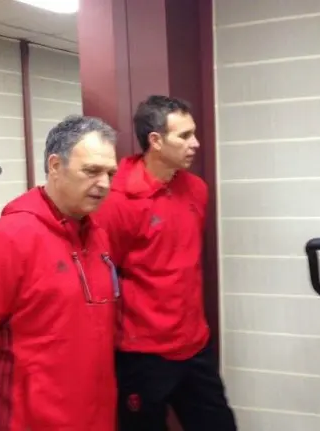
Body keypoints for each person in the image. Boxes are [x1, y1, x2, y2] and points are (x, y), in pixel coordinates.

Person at [0, 115, 120, 430]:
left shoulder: (97, 236)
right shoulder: (10, 239)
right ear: (55, 166)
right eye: (92, 171)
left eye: (110, 173)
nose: (104, 184)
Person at [93, 95, 237, 431]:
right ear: (155, 141)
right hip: (142, 354)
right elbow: (102, 274)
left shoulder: (196, 190)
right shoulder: (117, 201)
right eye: (184, 136)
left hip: (194, 345)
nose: (195, 144)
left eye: (194, 134)